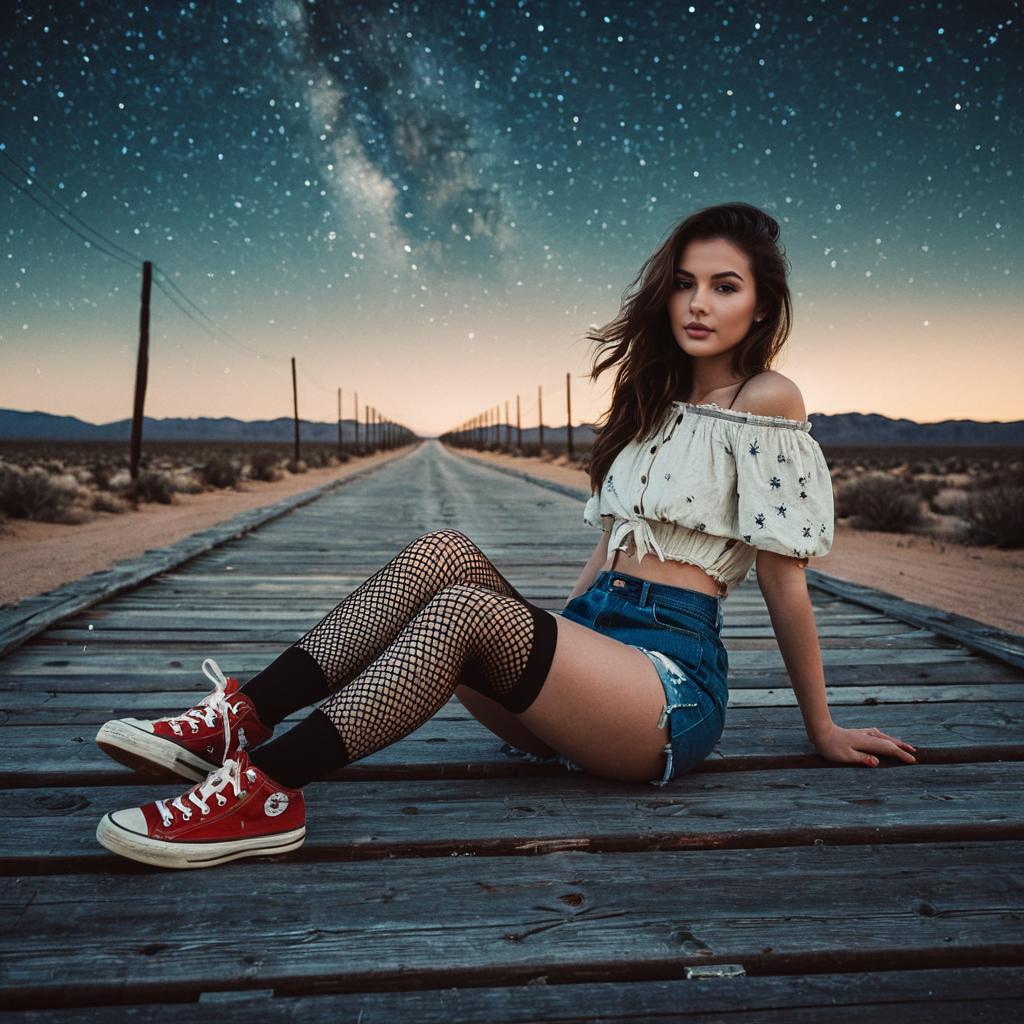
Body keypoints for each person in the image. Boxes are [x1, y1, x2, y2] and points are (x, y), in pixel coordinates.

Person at [93, 201, 917, 869]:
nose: (699, 303)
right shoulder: (649, 406)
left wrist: (822, 727)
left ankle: (262, 791)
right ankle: (243, 719)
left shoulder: (768, 399)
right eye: (684, 283)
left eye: (725, 286)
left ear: (761, 305)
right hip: (597, 669)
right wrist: (546, 650)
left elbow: (784, 579)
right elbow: (608, 551)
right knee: (445, 554)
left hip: (667, 688)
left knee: (463, 611)